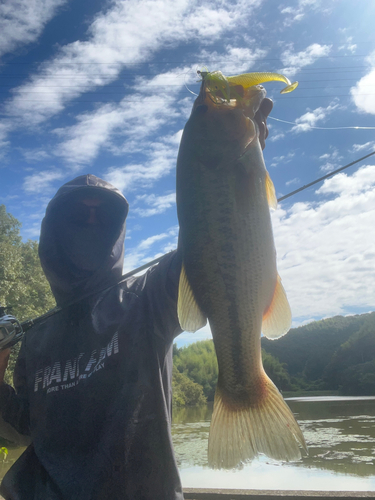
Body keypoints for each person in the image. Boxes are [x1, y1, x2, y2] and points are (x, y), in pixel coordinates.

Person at [0, 98, 273, 500]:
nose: (91, 224)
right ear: (54, 233)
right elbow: (24, 430)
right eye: (78, 217)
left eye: (104, 218)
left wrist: (229, 166)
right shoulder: (36, 338)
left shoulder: (150, 298)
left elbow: (211, 251)